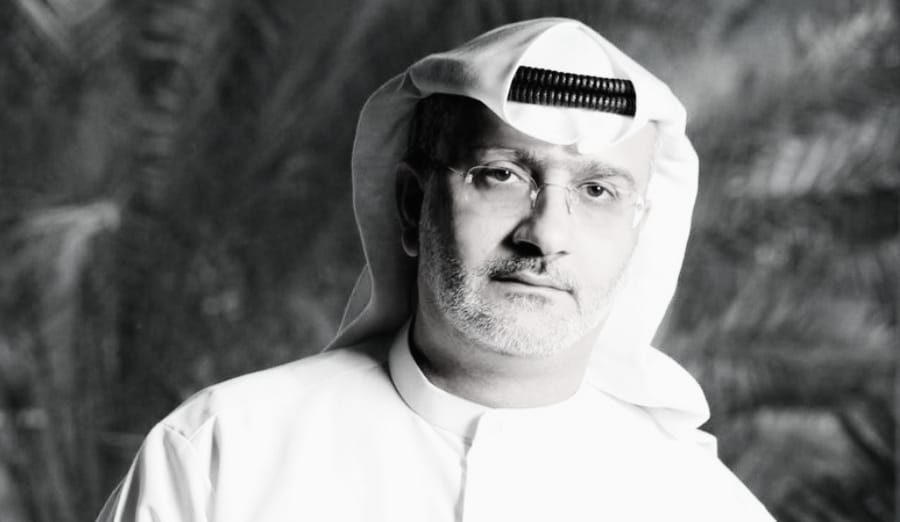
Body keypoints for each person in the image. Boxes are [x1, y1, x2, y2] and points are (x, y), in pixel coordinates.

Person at [97, 18, 774, 521]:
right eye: (501, 175)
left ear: (638, 230)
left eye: (598, 191)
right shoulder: (221, 454)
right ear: (412, 202)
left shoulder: (702, 505)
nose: (545, 235)